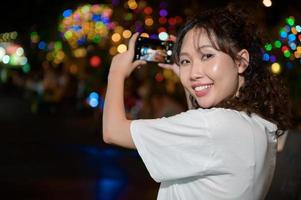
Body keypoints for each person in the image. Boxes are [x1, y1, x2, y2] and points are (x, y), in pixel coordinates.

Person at [102, 7, 292, 200]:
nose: (193, 73)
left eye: (207, 56)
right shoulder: (260, 124)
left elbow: (113, 131)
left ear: (241, 61)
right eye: (186, 61)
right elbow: (205, 148)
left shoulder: (214, 126)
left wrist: (116, 73)